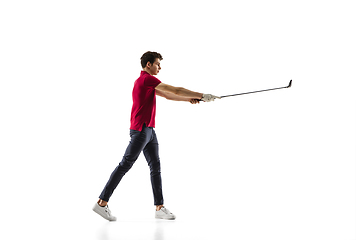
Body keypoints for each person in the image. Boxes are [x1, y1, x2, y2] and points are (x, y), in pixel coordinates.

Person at [92, 51, 220, 221]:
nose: (160, 67)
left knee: (155, 167)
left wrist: (189, 99)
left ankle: (159, 207)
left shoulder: (146, 83)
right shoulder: (146, 79)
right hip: (140, 131)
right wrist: (201, 95)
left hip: (149, 131)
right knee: (125, 164)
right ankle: (102, 202)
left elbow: (168, 95)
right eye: (158, 64)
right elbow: (175, 89)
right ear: (148, 65)